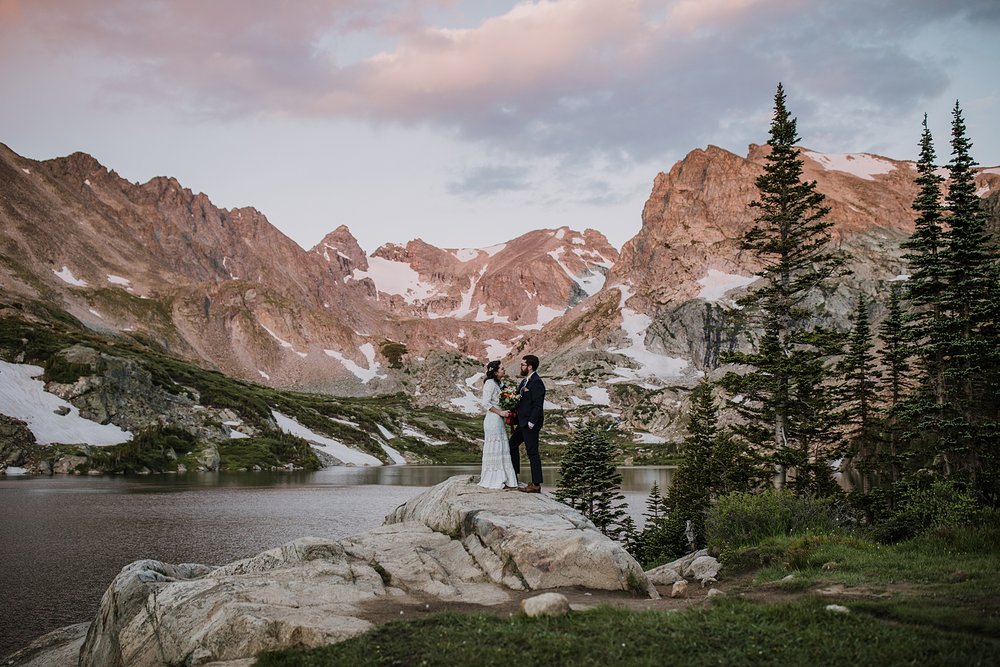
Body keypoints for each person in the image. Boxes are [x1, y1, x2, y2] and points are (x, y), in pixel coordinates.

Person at [478, 360, 519, 490]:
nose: (504, 370)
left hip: (499, 420)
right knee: (495, 445)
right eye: (502, 368)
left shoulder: (500, 384)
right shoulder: (490, 384)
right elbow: (485, 403)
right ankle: (494, 478)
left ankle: (505, 477)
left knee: (502, 446)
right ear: (495, 372)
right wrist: (500, 412)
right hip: (493, 419)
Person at [509, 354, 545, 493]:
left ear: (530, 366)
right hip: (522, 422)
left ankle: (536, 484)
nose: (521, 366)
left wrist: (531, 422)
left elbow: (538, 405)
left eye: (523, 364)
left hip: (530, 424)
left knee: (532, 453)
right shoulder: (525, 381)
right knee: (511, 445)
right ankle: (514, 476)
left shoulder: (536, 382)